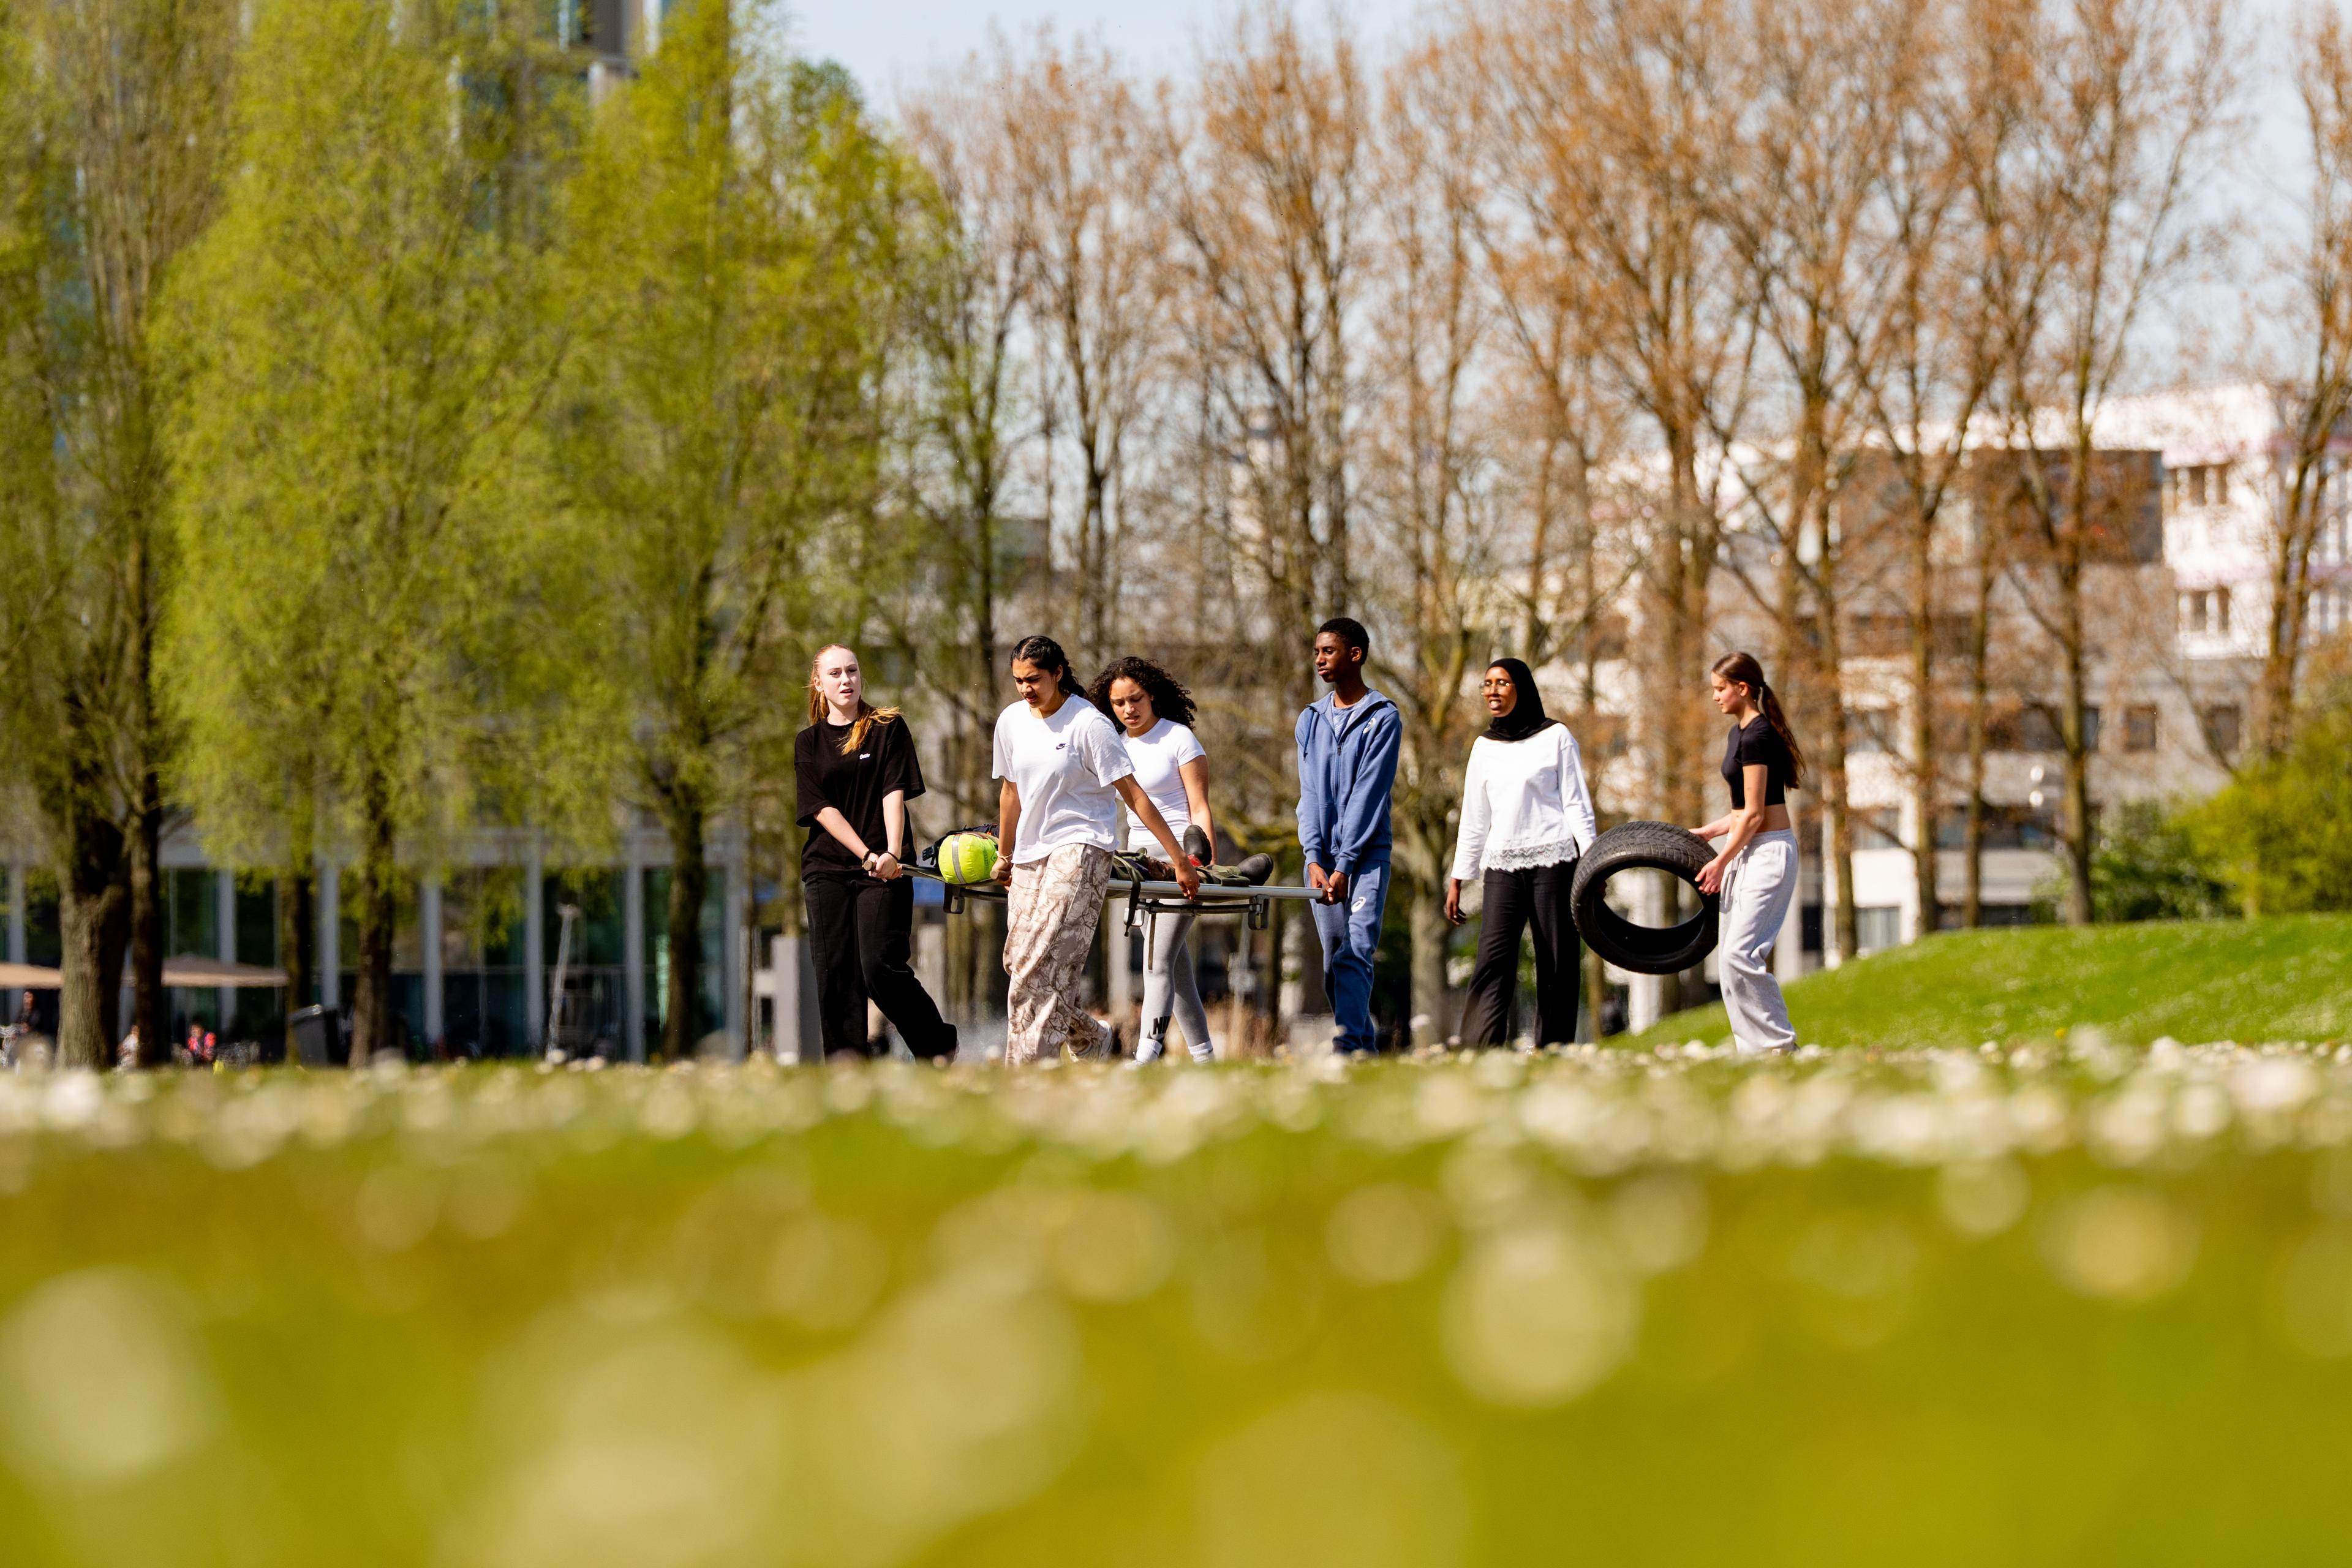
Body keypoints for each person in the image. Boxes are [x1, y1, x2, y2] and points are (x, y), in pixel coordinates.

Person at [991, 635, 1199, 1065]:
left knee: (1040, 965)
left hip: (1082, 846)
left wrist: (1179, 859)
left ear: (1058, 673)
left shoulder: (1088, 724)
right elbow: (1010, 794)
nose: (1026, 689)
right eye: (1018, 681)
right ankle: (1091, 1037)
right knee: (1018, 961)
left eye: (1034, 679)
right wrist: (1005, 855)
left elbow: (1135, 795)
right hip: (1031, 851)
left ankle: (1025, 1073)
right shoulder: (1011, 721)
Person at [795, 643, 957, 1062]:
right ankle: (847, 1068)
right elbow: (822, 809)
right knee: (835, 975)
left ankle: (938, 1045)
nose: (845, 680)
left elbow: (893, 792)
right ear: (818, 683)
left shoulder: (887, 728)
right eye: (834, 674)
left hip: (885, 869)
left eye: (852, 671)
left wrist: (889, 854)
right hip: (827, 867)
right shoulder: (808, 744)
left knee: (879, 966)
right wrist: (865, 852)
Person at [1446, 658, 1599, 1047]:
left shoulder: (1556, 737)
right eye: (1487, 684)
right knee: (1491, 962)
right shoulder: (1483, 747)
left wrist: (1593, 865)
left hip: (1556, 860)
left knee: (1557, 961)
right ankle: (1477, 1051)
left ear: (1522, 688)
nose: (1492, 691)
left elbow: (1577, 805)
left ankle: (1554, 1049)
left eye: (1502, 683)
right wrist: (1458, 877)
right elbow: (1474, 816)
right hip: (1502, 866)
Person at [1090, 655, 1218, 1065]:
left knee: (1157, 961)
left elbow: (1200, 808)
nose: (1129, 709)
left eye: (1136, 699)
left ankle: (1146, 1053)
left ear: (1152, 696)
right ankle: (1204, 1058)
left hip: (1181, 859)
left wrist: (1202, 865)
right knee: (1176, 971)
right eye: (1119, 703)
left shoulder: (1178, 739)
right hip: (1142, 865)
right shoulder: (1117, 748)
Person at [1691, 650, 1807, 1055]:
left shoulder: (1758, 734)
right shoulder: (1737, 733)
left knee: (1742, 955)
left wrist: (1721, 861)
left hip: (1768, 854)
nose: (1715, 697)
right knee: (1729, 962)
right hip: (1747, 849)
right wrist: (1710, 831)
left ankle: (1779, 1047)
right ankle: (1752, 1051)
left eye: (1721, 689)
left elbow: (1757, 815)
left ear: (1743, 688)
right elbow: (1742, 811)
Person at [1296, 617, 1401, 1057]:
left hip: (1366, 858)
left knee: (1356, 949)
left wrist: (1346, 865)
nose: (1319, 659)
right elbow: (1309, 793)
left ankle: (1350, 1050)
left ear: (1355, 655)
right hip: (1321, 860)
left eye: (1329, 651)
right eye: (1318, 651)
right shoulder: (1310, 720)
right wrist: (1315, 858)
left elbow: (1367, 795)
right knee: (1333, 959)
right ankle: (1360, 1045)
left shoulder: (1383, 719)